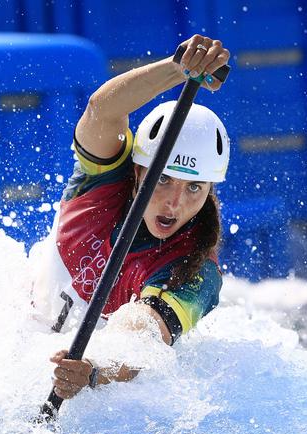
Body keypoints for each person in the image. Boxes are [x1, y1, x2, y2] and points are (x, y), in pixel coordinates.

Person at [29, 34, 231, 399]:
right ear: (138, 171)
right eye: (164, 179)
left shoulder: (196, 269)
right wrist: (176, 68)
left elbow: (143, 334)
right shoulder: (99, 181)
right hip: (11, 337)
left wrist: (93, 371)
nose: (173, 203)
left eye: (193, 189)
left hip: (94, 385)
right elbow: (101, 111)